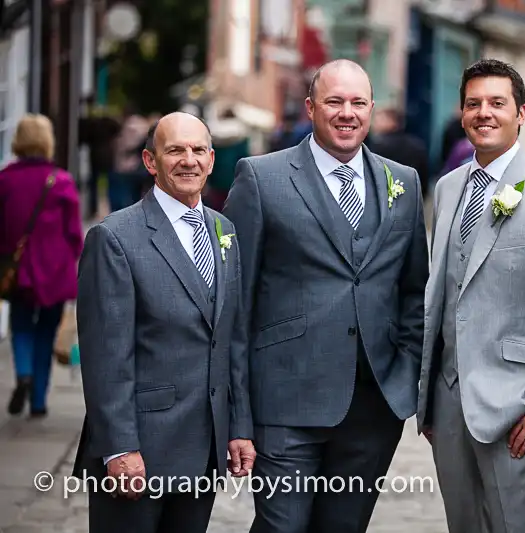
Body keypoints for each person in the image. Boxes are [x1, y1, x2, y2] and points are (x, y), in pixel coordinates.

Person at [223, 59, 428, 533]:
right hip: (284, 403)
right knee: (283, 528)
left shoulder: (404, 183)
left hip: (372, 407)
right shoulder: (261, 178)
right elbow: (234, 304)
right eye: (334, 101)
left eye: (358, 102)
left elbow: (414, 290)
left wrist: (406, 370)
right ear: (311, 108)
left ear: (372, 109)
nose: (347, 113)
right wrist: (239, 411)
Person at [417, 59, 525, 533]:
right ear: (461, 113)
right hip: (450, 402)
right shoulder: (450, 187)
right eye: (473, 103)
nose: (484, 113)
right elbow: (442, 290)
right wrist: (430, 397)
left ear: (521, 113)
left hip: (520, 405)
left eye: (497, 103)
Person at [72, 112, 255, 533]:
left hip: (203, 449)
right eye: (174, 150)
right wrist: (119, 448)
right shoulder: (115, 237)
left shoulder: (225, 231)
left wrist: (239, 426)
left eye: (197, 151)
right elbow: (106, 358)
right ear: (150, 161)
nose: (187, 160)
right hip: (140, 450)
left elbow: (233, 339)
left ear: (211, 160)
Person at [0, 114, 84, 417]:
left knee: (21, 324)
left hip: (19, 269)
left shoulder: (5, 179)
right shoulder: (60, 181)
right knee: (47, 332)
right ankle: (38, 401)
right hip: (55, 271)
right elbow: (75, 233)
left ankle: (22, 373)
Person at [367, 106, 430, 197]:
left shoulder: (377, 146)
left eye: (379, 120)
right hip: (412, 196)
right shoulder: (418, 145)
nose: (374, 124)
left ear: (393, 122)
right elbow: (424, 181)